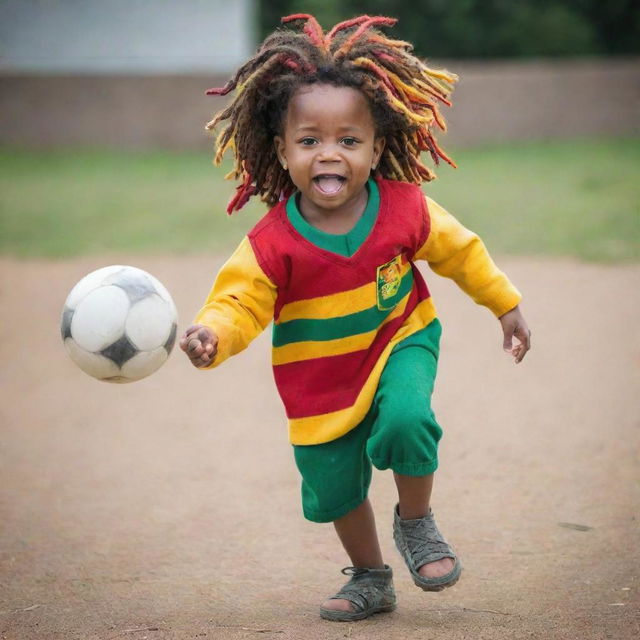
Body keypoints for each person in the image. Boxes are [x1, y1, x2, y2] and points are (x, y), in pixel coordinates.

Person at [180, 14, 531, 622]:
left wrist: (505, 303)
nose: (329, 153)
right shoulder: (271, 242)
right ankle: (371, 577)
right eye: (309, 140)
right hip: (319, 380)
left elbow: (460, 251)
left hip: (401, 339)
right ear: (282, 152)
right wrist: (215, 333)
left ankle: (417, 524)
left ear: (376, 146)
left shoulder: (404, 209)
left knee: (407, 419)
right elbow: (240, 300)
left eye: (348, 139)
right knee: (335, 486)